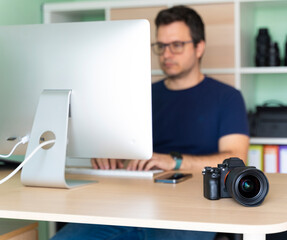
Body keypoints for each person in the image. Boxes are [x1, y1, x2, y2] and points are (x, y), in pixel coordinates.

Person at [51, 5, 249, 240]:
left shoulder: (227, 97)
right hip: (133, 200)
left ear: (199, 47)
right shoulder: (140, 95)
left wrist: (173, 162)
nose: (166, 54)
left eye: (176, 45)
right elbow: (121, 147)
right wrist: (109, 154)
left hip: (196, 204)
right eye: (161, 46)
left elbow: (237, 158)